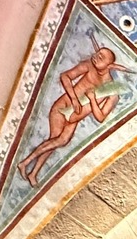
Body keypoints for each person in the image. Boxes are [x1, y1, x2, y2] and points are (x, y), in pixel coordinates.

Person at [19, 45, 122, 186]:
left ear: (110, 65)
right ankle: (26, 163)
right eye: (97, 54)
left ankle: (33, 172)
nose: (95, 57)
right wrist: (73, 98)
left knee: (56, 142)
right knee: (57, 140)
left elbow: (100, 117)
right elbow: (65, 76)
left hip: (74, 119)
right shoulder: (89, 66)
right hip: (63, 108)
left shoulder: (109, 88)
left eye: (101, 57)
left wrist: (92, 100)